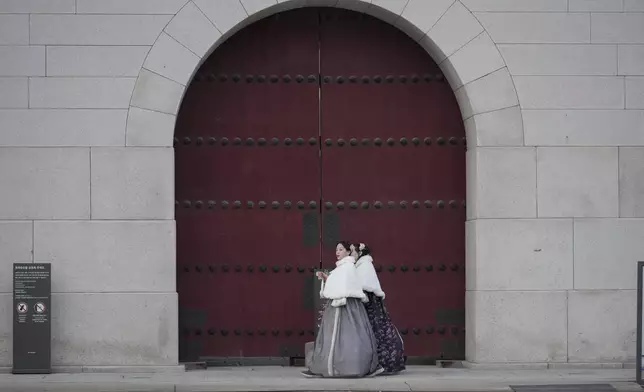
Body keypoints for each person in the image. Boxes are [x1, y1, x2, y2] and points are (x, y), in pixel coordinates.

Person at [302, 241, 383, 378]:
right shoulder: (342, 267)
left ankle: (351, 367)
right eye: (336, 250)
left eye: (340, 249)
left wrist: (338, 292)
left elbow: (346, 285)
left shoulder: (348, 266)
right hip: (338, 304)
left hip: (346, 306)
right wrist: (326, 278)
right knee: (337, 338)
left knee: (349, 337)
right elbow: (339, 283)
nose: (337, 252)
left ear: (347, 251)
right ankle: (332, 367)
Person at [354, 243, 406, 375]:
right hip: (370, 303)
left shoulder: (364, 265)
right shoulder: (361, 264)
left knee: (376, 332)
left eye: (354, 251)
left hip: (370, 304)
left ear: (360, 253)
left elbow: (365, 285)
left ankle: (384, 364)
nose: (352, 254)